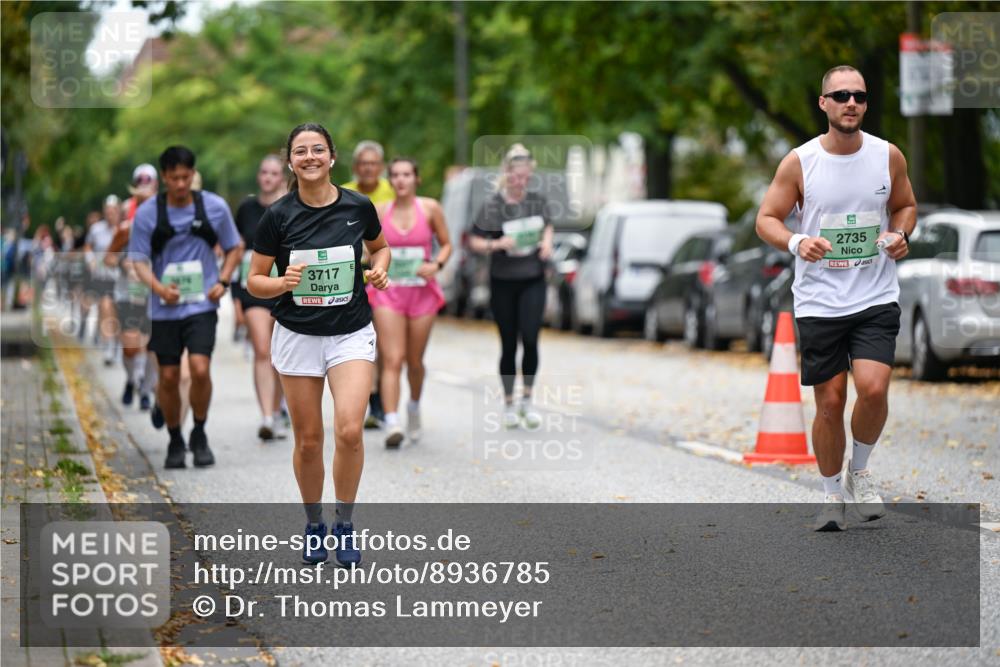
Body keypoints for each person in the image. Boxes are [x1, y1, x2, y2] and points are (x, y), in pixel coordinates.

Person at [756, 65, 917, 532]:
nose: (851, 103)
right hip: (820, 300)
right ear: (823, 103)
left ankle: (858, 471)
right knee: (829, 402)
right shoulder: (800, 162)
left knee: (874, 388)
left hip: (874, 294)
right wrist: (796, 242)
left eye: (859, 96)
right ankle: (830, 496)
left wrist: (901, 234)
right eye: (841, 95)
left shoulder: (887, 155)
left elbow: (905, 206)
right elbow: (766, 218)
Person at [247, 123, 389, 567]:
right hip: (297, 335)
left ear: (332, 157)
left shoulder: (357, 206)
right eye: (301, 151)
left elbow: (380, 248)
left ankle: (344, 523)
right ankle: (314, 524)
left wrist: (379, 269)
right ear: (291, 162)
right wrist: (281, 283)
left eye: (318, 150)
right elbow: (253, 280)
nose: (310, 157)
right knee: (309, 441)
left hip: (350, 331)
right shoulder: (278, 216)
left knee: (349, 430)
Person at [128, 146, 242, 469]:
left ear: (193, 174)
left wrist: (223, 280)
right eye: (174, 178)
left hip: (201, 305)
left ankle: (200, 432)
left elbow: (235, 247)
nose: (181, 184)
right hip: (164, 308)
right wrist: (160, 289)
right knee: (168, 376)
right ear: (164, 178)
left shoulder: (214, 207)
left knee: (200, 369)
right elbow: (138, 261)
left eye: (186, 177)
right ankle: (175, 438)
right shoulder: (148, 214)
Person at [468, 144, 554, 429]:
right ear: (507, 174)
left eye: (525, 177)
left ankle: (527, 401)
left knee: (530, 338)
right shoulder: (492, 205)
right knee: (508, 343)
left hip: (533, 278)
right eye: (516, 176)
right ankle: (508, 403)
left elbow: (548, 226)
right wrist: (497, 244)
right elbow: (473, 240)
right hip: (503, 281)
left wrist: (547, 243)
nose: (520, 181)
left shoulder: (537, 202)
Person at [369, 158, 451, 448]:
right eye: (395, 175)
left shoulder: (430, 208)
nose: (401, 180)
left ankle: (413, 406)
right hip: (388, 293)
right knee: (392, 358)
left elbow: (447, 243)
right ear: (390, 180)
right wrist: (375, 266)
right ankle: (392, 420)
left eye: (407, 174)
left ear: (417, 179)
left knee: (414, 361)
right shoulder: (380, 211)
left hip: (421, 293)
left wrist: (436, 264)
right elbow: (369, 248)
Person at [234, 154, 288, 440]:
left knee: (279, 354)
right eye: (264, 172)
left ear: (282, 178)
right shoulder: (246, 209)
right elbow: (235, 252)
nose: (268, 177)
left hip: (283, 288)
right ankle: (266, 416)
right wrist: (235, 299)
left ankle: (278, 411)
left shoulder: (289, 207)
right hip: (252, 289)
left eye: (274, 173)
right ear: (258, 176)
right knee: (262, 350)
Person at [343, 140, 395, 429]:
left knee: (387, 346)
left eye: (373, 164)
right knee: (364, 343)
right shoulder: (343, 193)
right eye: (363, 164)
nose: (368, 169)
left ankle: (384, 404)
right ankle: (371, 402)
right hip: (354, 278)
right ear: (355, 167)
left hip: (386, 278)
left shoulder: (393, 191)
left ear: (381, 167)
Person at [86, 195, 123, 365]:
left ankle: (117, 345)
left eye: (113, 211)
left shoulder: (124, 229)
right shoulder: (96, 229)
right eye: (107, 211)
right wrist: (90, 260)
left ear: (119, 211)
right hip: (103, 277)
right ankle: (108, 345)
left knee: (119, 313)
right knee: (105, 307)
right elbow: (88, 246)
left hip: (121, 278)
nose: (110, 215)